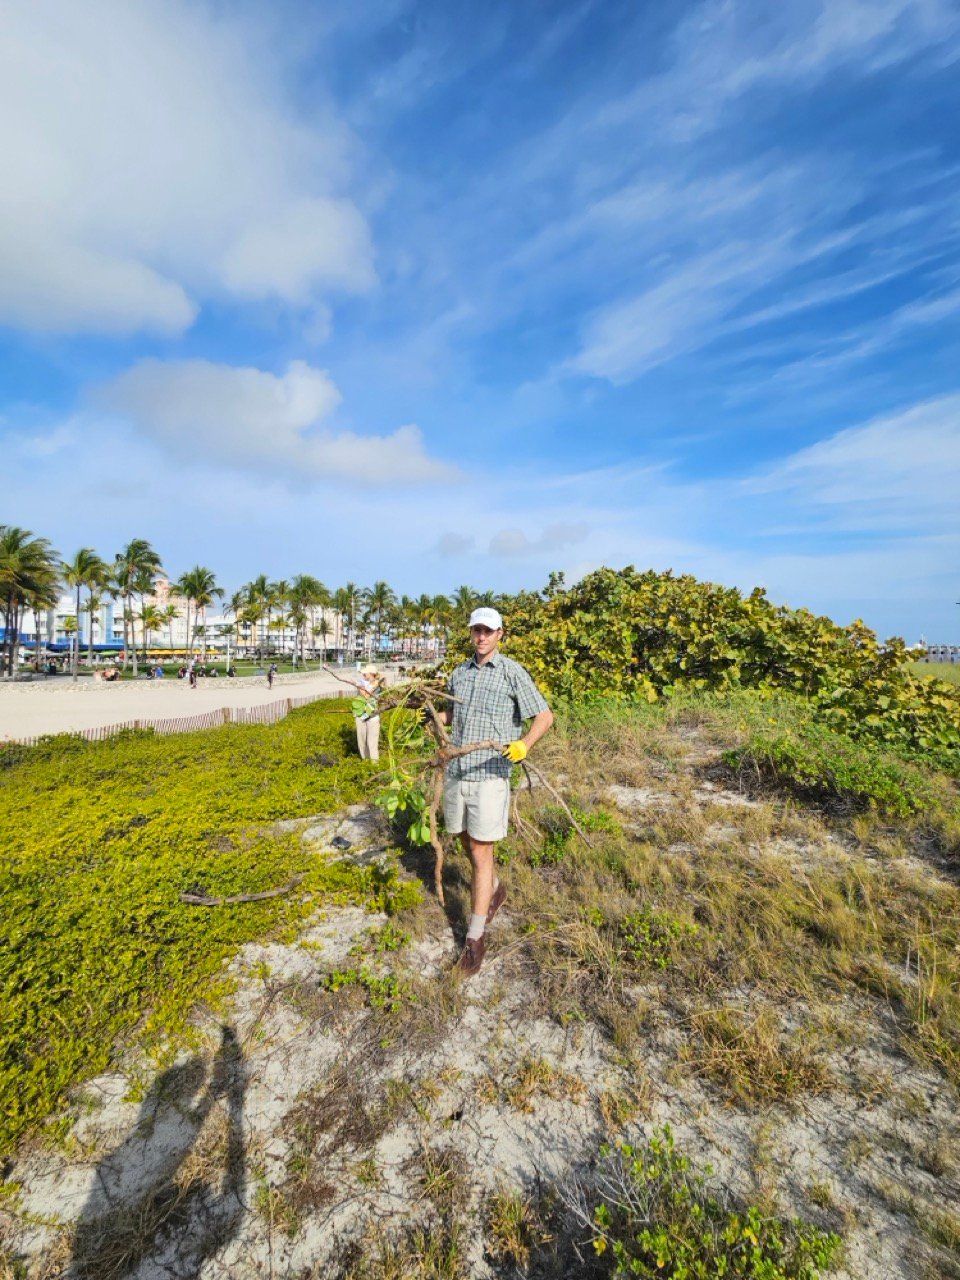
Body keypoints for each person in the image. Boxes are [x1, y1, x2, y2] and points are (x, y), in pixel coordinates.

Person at [440, 607, 553, 977]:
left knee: (480, 849)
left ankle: (474, 938)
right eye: (477, 630)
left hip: (490, 775)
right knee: (460, 836)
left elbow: (544, 716)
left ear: (500, 633)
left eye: (488, 631)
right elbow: (451, 717)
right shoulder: (459, 673)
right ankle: (496, 889)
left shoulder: (512, 672)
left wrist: (525, 744)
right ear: (471, 633)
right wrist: (425, 711)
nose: (482, 637)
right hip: (457, 771)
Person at [344, 666, 385, 761]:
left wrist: (358, 686)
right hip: (361, 716)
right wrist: (358, 685)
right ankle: (365, 761)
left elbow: (367, 696)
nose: (363, 675)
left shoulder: (378, 686)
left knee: (372, 743)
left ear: (371, 674)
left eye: (365, 673)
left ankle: (374, 764)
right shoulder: (363, 683)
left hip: (373, 717)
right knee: (361, 741)